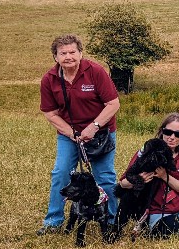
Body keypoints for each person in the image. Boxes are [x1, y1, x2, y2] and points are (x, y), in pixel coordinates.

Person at [37, 34, 120, 235]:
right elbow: (50, 113)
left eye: (72, 52)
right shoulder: (49, 79)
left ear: (80, 53)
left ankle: (112, 220)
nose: (68, 57)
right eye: (62, 53)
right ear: (55, 57)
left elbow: (113, 104)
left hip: (100, 133)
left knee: (104, 176)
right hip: (69, 134)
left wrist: (93, 126)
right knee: (61, 173)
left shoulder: (95, 72)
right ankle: (54, 221)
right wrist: (72, 133)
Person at [118, 113, 179, 239]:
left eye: (178, 134)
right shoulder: (146, 152)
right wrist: (139, 179)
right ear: (162, 131)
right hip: (157, 210)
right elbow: (123, 183)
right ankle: (151, 225)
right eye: (168, 132)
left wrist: (164, 176)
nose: (172, 137)